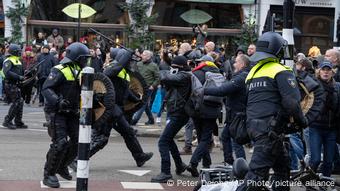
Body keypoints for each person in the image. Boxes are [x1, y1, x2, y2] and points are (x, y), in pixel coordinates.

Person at [236, 32, 307, 191]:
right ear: (279, 50)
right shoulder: (281, 70)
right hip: (270, 131)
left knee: (282, 169)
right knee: (255, 177)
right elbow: (292, 104)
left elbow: (247, 103)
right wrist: (302, 122)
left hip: (255, 128)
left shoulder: (253, 73)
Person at [85, 48, 153, 168]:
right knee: (101, 139)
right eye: (129, 60)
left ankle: (139, 156)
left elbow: (125, 90)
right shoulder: (113, 68)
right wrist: (127, 54)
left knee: (128, 133)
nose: (132, 63)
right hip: (109, 109)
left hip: (118, 109)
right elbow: (110, 74)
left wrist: (136, 99)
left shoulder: (125, 72)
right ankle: (77, 159)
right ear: (124, 59)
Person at [41, 42, 91, 188]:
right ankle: (49, 174)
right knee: (60, 142)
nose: (85, 61)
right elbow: (47, 88)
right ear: (75, 58)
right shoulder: (59, 70)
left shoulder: (81, 71)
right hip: (57, 112)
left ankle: (62, 166)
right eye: (83, 58)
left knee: (77, 141)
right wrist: (58, 101)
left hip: (73, 112)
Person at [151, 56, 192, 183]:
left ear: (179, 67)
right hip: (176, 112)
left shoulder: (185, 76)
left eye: (174, 67)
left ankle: (166, 172)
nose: (172, 69)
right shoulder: (180, 75)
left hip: (179, 114)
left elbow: (165, 77)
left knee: (163, 142)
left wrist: (164, 70)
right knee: (169, 140)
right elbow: (167, 83)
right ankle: (179, 165)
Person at [204, 54, 249, 165]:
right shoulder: (240, 76)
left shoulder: (241, 77)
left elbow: (223, 90)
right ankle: (229, 161)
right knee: (225, 136)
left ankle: (241, 166)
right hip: (234, 114)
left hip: (237, 115)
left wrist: (203, 90)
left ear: (242, 64)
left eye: (236, 62)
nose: (234, 64)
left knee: (236, 141)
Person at [185, 55, 223, 177]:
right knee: (205, 139)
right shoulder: (218, 73)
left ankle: (193, 163)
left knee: (203, 139)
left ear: (203, 63)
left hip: (197, 109)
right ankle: (206, 164)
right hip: (212, 109)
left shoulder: (196, 74)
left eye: (199, 62)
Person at [308, 60, 340, 177]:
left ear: (332, 72)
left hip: (331, 129)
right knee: (315, 159)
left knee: (328, 162)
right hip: (315, 127)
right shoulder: (313, 85)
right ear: (319, 71)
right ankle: (309, 182)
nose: (325, 72)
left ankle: (324, 186)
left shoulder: (337, 87)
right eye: (323, 70)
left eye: (328, 70)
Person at [131, 50, 160, 125]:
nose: (141, 56)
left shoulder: (154, 66)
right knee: (145, 104)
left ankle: (135, 120)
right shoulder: (138, 64)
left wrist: (153, 86)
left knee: (142, 104)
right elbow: (134, 74)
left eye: (143, 55)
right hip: (139, 88)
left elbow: (158, 78)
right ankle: (151, 119)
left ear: (148, 57)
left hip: (148, 88)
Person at [2, 44, 27, 130]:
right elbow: (7, 72)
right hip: (9, 84)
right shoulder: (8, 60)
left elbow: (21, 72)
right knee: (17, 101)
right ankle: (7, 121)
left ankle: (18, 121)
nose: (20, 53)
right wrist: (18, 77)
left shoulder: (18, 61)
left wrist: (27, 73)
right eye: (18, 52)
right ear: (14, 52)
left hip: (16, 84)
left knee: (20, 101)